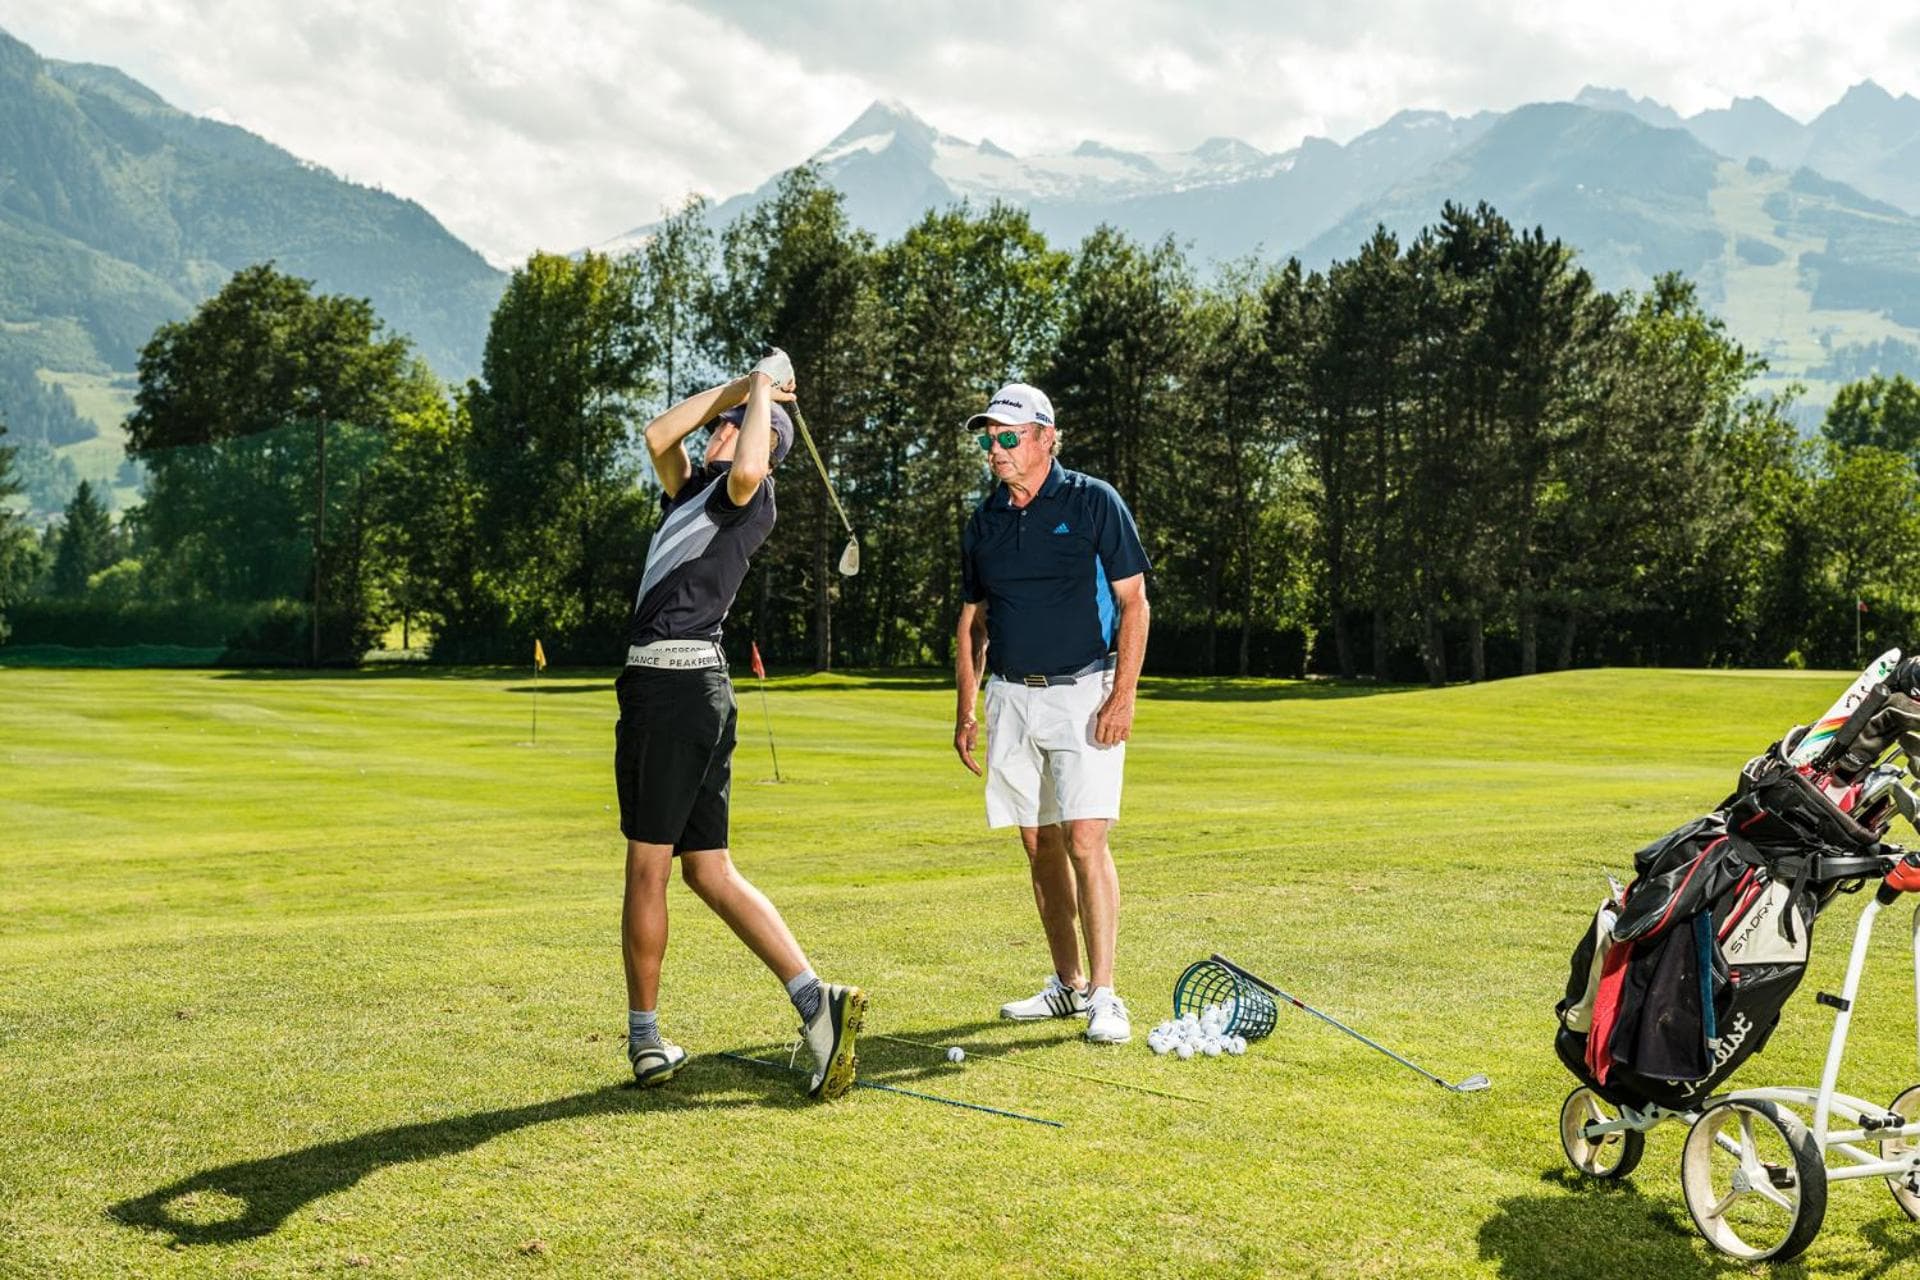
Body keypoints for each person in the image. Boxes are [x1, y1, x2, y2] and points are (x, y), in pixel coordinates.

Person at [615, 348, 864, 1097]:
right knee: (708, 869)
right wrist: (742, 386)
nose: (715, 431)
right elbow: (658, 434)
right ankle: (816, 1003)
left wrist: (761, 393)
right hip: (693, 690)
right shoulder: (692, 491)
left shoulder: (743, 496)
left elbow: (752, 464)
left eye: (726, 426)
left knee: (647, 867)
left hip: (671, 688)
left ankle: (645, 1039)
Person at [952, 382, 1151, 1044]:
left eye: (1008, 437)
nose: (996, 449)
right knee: (1038, 844)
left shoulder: (1093, 501)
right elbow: (973, 623)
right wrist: (966, 707)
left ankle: (1106, 994)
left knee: (1085, 838)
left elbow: (1134, 603)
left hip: (1085, 691)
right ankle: (1068, 984)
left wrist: (1123, 695)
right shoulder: (985, 520)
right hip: (1011, 697)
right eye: (990, 439)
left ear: (1045, 437)